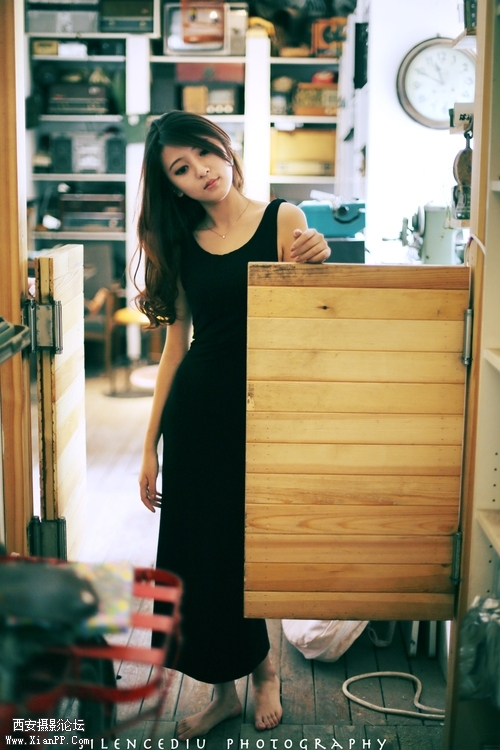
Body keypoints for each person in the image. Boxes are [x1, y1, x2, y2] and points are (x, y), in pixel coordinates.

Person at [135, 111, 330, 740]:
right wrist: (149, 446)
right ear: (173, 186)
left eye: (203, 153)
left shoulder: (283, 220)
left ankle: (264, 670)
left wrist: (319, 262)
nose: (200, 171)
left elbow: (309, 318)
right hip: (198, 416)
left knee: (254, 546)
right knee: (202, 554)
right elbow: (175, 350)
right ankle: (223, 692)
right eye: (181, 169)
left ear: (223, 147)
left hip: (265, 412)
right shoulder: (182, 242)